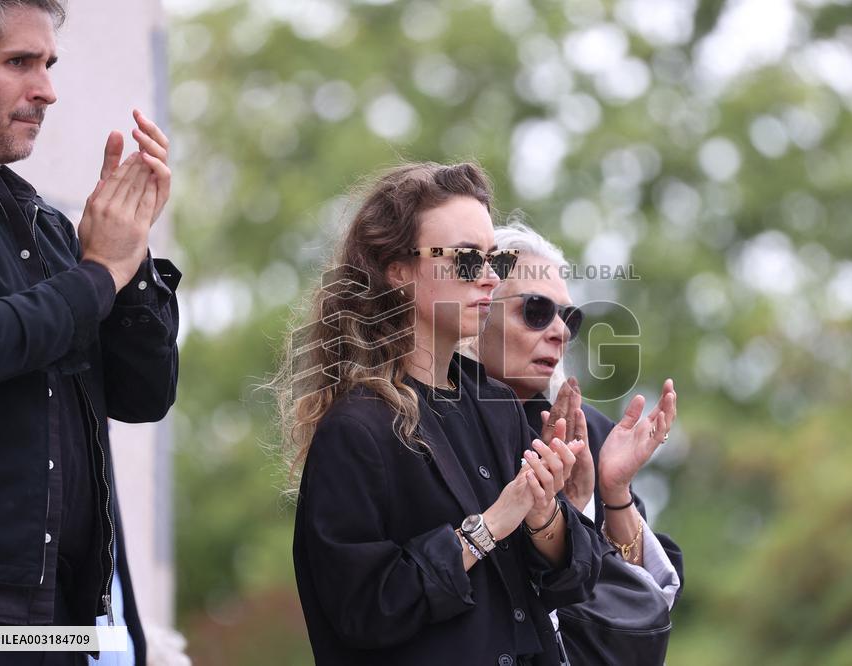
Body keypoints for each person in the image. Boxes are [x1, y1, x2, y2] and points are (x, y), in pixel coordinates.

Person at [286, 163, 601, 665]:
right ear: (399, 270)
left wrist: (545, 515)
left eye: (493, 261)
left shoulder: (499, 409)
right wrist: (491, 524)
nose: (490, 279)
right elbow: (365, 608)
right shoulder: (356, 429)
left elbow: (575, 579)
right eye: (467, 260)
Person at [0, 2, 178, 665]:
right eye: (18, 63)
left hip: (62, 618)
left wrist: (131, 257)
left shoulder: (41, 219)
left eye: (48, 64)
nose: (47, 90)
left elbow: (143, 395)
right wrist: (97, 276)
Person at [474, 221, 684, 657]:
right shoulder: (430, 422)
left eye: (569, 317)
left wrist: (614, 491)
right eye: (535, 310)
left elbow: (642, 609)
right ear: (478, 309)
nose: (559, 331)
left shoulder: (592, 431)